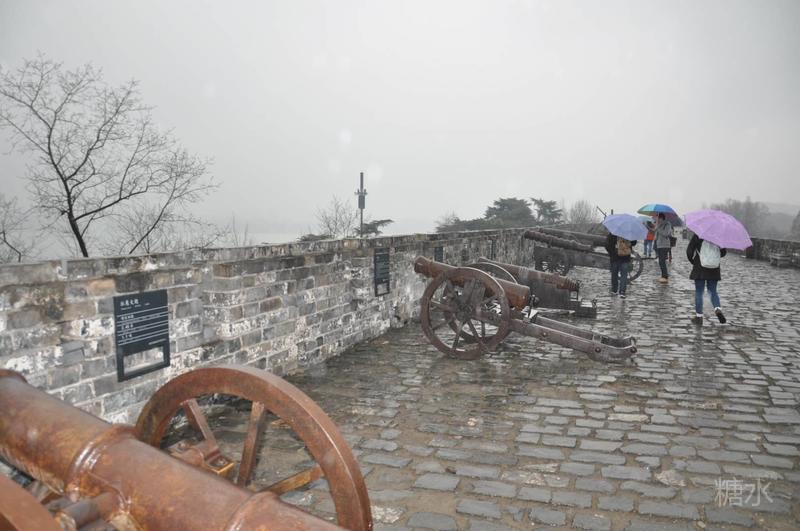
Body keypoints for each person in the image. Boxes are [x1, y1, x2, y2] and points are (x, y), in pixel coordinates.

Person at [686, 233, 727, 325]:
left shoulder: (699, 234)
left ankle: (699, 317)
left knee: (699, 292)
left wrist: (693, 261)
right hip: (714, 268)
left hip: (699, 267)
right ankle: (717, 309)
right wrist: (712, 257)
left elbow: (689, 251)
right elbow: (723, 253)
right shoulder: (718, 235)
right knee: (713, 291)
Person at [605, 232, 637, 298]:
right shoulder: (628, 233)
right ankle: (622, 291)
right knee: (624, 275)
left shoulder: (613, 233)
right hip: (625, 257)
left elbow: (607, 245)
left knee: (614, 274)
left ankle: (614, 290)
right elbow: (634, 243)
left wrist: (612, 253)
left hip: (615, 258)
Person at [653, 213, 673, 283]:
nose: (656, 219)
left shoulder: (667, 224)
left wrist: (658, 229)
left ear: (661, 218)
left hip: (664, 245)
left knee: (662, 261)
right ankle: (663, 275)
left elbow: (666, 234)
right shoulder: (659, 224)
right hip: (659, 245)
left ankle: (665, 276)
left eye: (657, 218)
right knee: (661, 261)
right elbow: (656, 234)